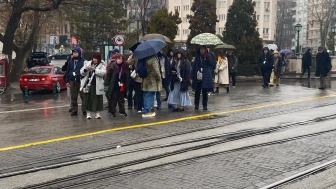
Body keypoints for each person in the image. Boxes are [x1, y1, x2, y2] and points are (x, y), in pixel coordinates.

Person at [80, 52, 106, 119]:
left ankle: (97, 114)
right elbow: (82, 72)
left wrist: (95, 70)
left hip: (97, 85)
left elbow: (103, 73)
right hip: (88, 85)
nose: (94, 59)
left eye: (96, 58)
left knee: (97, 100)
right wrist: (86, 69)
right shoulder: (88, 63)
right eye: (94, 58)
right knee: (88, 99)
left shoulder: (102, 65)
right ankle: (88, 114)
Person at [192, 45, 215, 110]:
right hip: (198, 75)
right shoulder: (197, 57)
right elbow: (194, 66)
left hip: (205, 76)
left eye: (203, 49)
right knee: (197, 91)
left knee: (205, 91)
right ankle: (196, 104)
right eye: (201, 49)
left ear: (205, 50)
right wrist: (192, 75)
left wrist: (207, 57)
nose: (202, 50)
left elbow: (211, 64)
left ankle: (205, 105)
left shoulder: (208, 56)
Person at [65, 47, 85, 116]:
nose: (74, 53)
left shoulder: (83, 61)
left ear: (79, 53)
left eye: (76, 52)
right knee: (73, 96)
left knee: (83, 96)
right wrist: (67, 81)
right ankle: (74, 109)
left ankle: (84, 109)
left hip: (81, 81)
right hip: (72, 81)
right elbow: (67, 71)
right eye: (73, 52)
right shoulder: (70, 61)